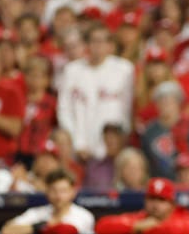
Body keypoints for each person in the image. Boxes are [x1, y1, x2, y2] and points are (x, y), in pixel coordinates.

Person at [57, 23, 134, 162]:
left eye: (101, 41)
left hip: (110, 151)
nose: (97, 45)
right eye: (93, 41)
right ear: (86, 44)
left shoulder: (124, 70)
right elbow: (64, 110)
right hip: (78, 148)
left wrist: (116, 144)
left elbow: (126, 111)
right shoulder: (72, 70)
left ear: (110, 45)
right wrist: (77, 143)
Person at [141, 81, 189, 180]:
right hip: (159, 180)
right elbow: (146, 160)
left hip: (187, 182)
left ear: (179, 103)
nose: (165, 105)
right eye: (161, 101)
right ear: (156, 105)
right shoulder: (149, 131)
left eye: (169, 101)